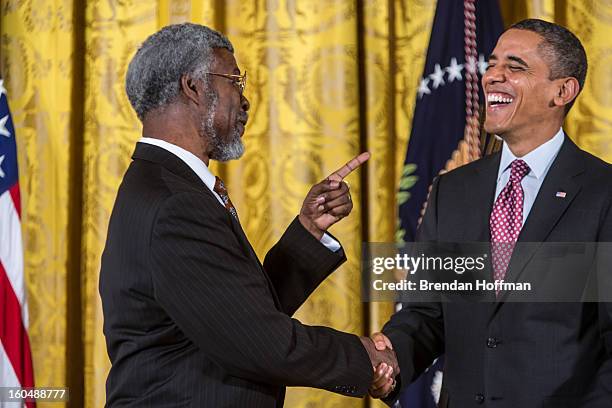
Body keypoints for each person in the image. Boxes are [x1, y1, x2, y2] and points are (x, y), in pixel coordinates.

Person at [99, 23, 397, 407]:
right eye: (235, 80)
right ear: (193, 87)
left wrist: (307, 231)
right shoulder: (176, 202)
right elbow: (261, 341)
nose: (245, 100)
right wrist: (364, 358)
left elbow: (234, 312)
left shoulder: (161, 183)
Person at [369, 19, 612, 407]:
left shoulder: (603, 192)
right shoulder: (452, 190)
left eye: (515, 67)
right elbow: (427, 312)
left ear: (563, 91)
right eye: (493, 63)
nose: (492, 76)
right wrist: (390, 360)